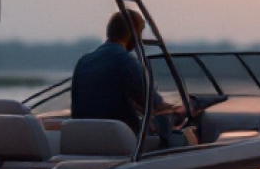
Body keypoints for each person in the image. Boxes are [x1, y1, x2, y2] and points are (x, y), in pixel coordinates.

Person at [71, 12, 181, 145]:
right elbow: (155, 104)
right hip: (120, 141)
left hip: (84, 140)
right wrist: (179, 109)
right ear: (134, 36)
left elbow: (89, 104)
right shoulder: (127, 62)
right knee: (177, 134)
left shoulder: (83, 61)